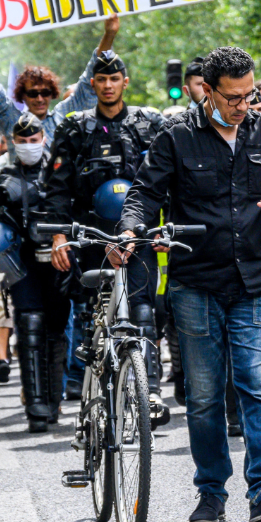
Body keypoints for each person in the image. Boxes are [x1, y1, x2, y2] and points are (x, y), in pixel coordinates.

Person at [117, 45, 261, 522]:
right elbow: (143, 194)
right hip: (196, 284)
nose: (245, 106)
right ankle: (211, 492)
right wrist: (129, 229)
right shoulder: (175, 136)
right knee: (202, 397)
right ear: (208, 91)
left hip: (257, 281)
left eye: (249, 95)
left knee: (259, 388)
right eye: (234, 98)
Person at [43, 49, 168, 421]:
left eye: (115, 79)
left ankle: (151, 392)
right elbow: (57, 187)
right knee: (92, 313)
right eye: (102, 79)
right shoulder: (74, 127)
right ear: (92, 83)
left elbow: (170, 181)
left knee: (143, 309)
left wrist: (165, 225)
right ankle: (93, 396)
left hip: (141, 233)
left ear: (125, 82)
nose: (109, 85)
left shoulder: (150, 123)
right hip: (92, 233)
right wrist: (58, 236)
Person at [0, 113, 69, 430]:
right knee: (29, 324)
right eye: (23, 141)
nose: (29, 145)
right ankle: (36, 406)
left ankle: (53, 400)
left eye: (34, 139)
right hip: (22, 261)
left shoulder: (62, 171)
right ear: (13, 143)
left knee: (56, 328)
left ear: (44, 138)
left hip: (59, 258)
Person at [0, 13, 119, 145]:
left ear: (51, 94)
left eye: (45, 92)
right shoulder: (13, 120)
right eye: (33, 94)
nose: (39, 98)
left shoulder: (64, 116)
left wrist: (109, 33)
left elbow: (93, 71)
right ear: (23, 96)